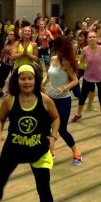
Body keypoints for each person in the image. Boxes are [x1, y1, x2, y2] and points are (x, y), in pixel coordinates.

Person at [0, 64, 61, 202]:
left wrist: (53, 136)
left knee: (44, 189)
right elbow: (0, 119)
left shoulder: (44, 99)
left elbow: (56, 118)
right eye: (23, 79)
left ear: (36, 80)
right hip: (13, 149)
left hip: (39, 150)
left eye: (30, 78)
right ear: (17, 81)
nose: (27, 82)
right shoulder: (10, 100)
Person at [43, 35, 82, 165]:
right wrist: (42, 83)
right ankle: (50, 152)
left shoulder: (66, 62)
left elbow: (75, 80)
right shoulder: (53, 59)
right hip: (49, 99)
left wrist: (64, 88)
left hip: (63, 100)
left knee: (62, 129)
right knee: (45, 127)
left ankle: (76, 153)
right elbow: (48, 75)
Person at [74, 30, 101, 127]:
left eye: (93, 37)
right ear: (87, 39)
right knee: (82, 97)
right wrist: (76, 64)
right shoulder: (85, 50)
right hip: (88, 77)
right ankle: (78, 114)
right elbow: (80, 61)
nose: (92, 39)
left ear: (97, 39)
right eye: (90, 37)